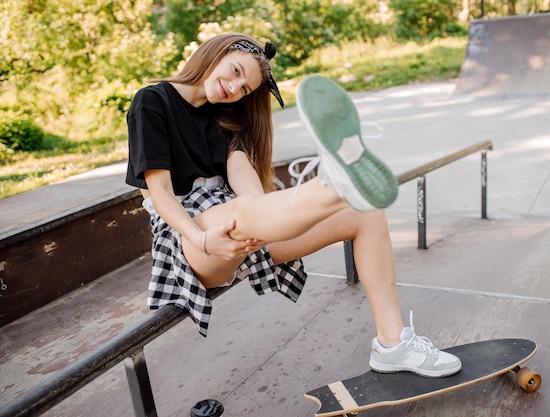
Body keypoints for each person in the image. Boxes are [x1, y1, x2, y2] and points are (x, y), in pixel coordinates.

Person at [125, 33, 461, 378]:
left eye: (244, 89)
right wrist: (202, 240)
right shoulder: (153, 101)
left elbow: (242, 174)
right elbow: (161, 193)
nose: (235, 87)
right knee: (245, 213)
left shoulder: (224, 116)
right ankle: (333, 181)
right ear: (216, 53)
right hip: (187, 237)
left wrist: (266, 216)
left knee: (365, 214)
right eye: (236, 71)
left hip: (239, 226)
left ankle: (393, 345)